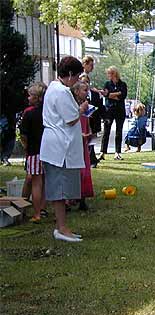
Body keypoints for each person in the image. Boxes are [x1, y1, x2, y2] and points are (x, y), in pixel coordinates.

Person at [40, 56, 88, 242]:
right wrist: (81, 109)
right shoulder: (61, 92)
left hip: (57, 145)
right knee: (59, 190)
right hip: (59, 148)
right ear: (69, 74)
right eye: (76, 76)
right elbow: (70, 118)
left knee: (61, 189)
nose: (77, 80)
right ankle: (61, 228)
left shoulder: (54, 88)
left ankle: (63, 226)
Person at [19, 82, 47, 223]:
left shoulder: (29, 113)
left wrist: (25, 147)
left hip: (34, 152)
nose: (28, 98)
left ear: (37, 98)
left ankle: (36, 214)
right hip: (48, 151)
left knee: (36, 182)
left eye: (30, 95)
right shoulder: (48, 112)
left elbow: (23, 135)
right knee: (44, 181)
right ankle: (42, 208)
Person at [71, 79, 94, 211]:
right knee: (76, 170)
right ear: (76, 91)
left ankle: (83, 198)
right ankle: (71, 198)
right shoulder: (73, 106)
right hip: (75, 143)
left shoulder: (86, 106)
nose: (87, 92)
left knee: (85, 169)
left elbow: (87, 123)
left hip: (84, 143)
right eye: (84, 90)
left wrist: (89, 133)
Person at [98, 66, 127, 160]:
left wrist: (112, 95)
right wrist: (117, 93)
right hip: (109, 110)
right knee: (106, 131)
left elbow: (122, 96)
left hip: (120, 110)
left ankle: (117, 152)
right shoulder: (107, 84)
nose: (108, 75)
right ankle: (102, 152)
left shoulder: (122, 84)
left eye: (110, 73)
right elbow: (106, 95)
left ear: (114, 74)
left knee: (119, 131)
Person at [82, 55, 105, 168]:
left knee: (91, 138)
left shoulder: (91, 89)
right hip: (84, 117)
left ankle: (92, 158)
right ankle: (90, 158)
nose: (92, 68)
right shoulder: (81, 76)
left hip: (92, 116)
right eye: (91, 65)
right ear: (85, 64)